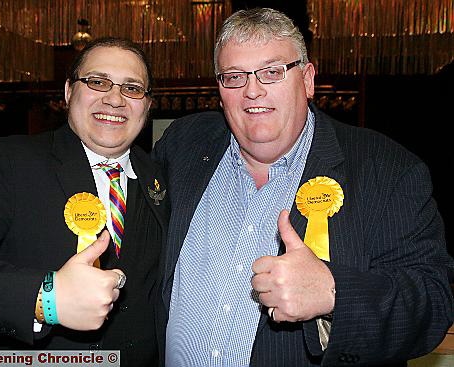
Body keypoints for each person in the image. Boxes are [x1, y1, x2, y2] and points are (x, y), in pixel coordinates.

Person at [152, 8, 454, 367]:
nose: (252, 91)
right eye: (234, 77)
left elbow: (432, 303)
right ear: (219, 90)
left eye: (272, 72)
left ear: (308, 79)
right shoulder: (183, 146)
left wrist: (333, 293)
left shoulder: (387, 171)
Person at [0, 36, 168, 367]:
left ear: (147, 103)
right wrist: (47, 299)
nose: (114, 99)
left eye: (131, 88)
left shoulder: (160, 175)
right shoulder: (15, 163)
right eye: (98, 82)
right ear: (70, 91)